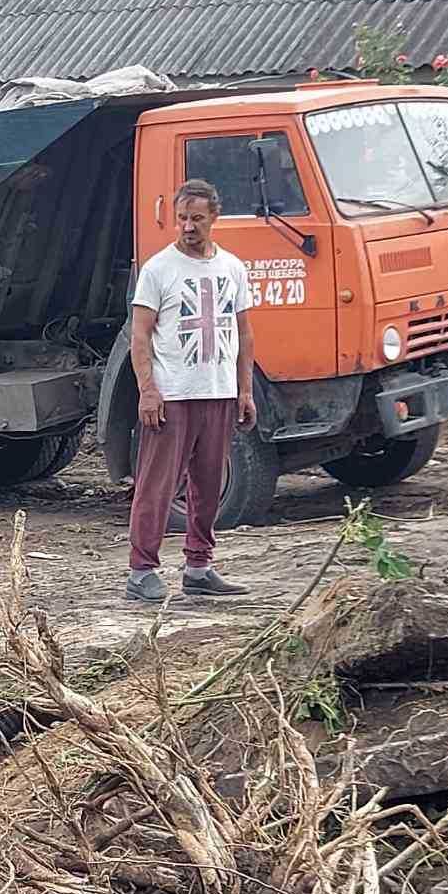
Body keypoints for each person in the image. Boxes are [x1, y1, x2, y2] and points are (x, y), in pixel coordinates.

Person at [125, 178, 256, 602]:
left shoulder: (232, 268)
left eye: (197, 219)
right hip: (174, 395)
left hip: (217, 392)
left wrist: (245, 390)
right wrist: (148, 390)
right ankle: (141, 571)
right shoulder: (158, 269)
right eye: (182, 219)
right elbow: (140, 336)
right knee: (157, 484)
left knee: (209, 481)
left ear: (214, 218)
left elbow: (244, 334)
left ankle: (199, 566)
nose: (187, 227)